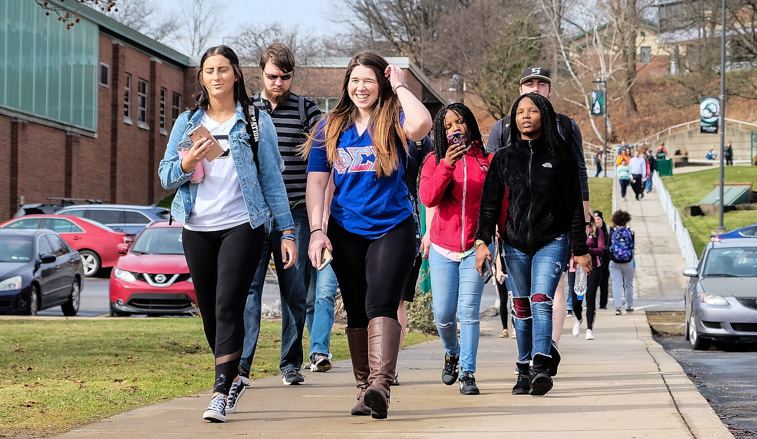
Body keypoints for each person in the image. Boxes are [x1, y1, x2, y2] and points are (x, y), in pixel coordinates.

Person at [158, 45, 296, 423]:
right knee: (209, 313)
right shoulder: (187, 122)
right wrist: (187, 161)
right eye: (209, 70)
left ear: (235, 73)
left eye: (223, 69)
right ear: (201, 77)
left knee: (227, 305)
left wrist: (287, 230)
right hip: (196, 227)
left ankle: (220, 392)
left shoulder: (254, 122)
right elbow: (166, 175)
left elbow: (271, 178)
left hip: (242, 225)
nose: (216, 76)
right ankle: (230, 371)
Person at [303, 50, 432, 419]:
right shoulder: (331, 125)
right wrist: (316, 230)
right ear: (346, 84)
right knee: (357, 309)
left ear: (381, 85)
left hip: (393, 226)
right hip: (344, 229)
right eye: (355, 80)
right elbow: (317, 183)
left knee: (380, 301)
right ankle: (365, 391)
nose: (361, 88)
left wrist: (400, 85)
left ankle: (381, 385)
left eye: (369, 81)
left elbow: (422, 124)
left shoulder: (394, 118)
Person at [475, 93, 591, 396]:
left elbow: (575, 208)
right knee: (521, 306)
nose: (525, 116)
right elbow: (489, 205)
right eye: (520, 112)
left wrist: (580, 249)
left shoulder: (563, 156)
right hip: (514, 243)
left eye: (533, 111)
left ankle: (541, 365)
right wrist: (481, 242)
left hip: (552, 240)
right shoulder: (504, 157)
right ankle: (523, 369)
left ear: (545, 116)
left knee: (541, 300)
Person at [234, 44, 324, 406]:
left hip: (297, 211)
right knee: (250, 289)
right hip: (256, 215)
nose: (279, 83)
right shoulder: (247, 110)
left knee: (295, 290)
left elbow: (326, 147)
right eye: (272, 76)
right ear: (260, 72)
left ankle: (290, 363)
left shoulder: (306, 109)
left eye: (285, 77)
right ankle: (242, 365)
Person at [419, 102, 491, 396]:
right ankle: (452, 353)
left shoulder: (488, 160)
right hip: (443, 247)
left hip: (476, 246)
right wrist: (447, 164)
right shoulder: (434, 160)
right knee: (444, 315)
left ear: (470, 124)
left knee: (469, 312)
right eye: (447, 126)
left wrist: (490, 241)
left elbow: (495, 204)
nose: (454, 129)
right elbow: (429, 198)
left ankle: (469, 373)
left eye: (459, 122)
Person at [395, 135, 433, 386]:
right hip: (359, 225)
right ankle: (370, 365)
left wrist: (428, 231)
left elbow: (430, 186)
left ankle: (389, 365)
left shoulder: (419, 141)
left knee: (395, 301)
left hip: (406, 224)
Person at [569, 216, 606, 340]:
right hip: (575, 268)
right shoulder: (572, 229)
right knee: (576, 301)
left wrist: (587, 251)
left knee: (590, 298)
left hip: (592, 267)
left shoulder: (595, 231)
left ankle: (589, 328)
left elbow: (602, 249)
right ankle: (579, 319)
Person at [608, 210, 635, 315]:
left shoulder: (612, 233)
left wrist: (611, 257)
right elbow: (632, 247)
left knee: (616, 284)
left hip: (614, 262)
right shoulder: (631, 232)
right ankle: (629, 305)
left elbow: (607, 248)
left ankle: (618, 307)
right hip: (628, 261)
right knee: (628, 284)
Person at [593, 210, 611, 310]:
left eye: (598, 219)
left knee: (604, 284)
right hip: (593, 262)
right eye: (595, 219)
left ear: (602, 219)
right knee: (592, 284)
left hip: (605, 262)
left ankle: (603, 304)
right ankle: (590, 302)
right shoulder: (591, 230)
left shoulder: (607, 230)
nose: (597, 221)